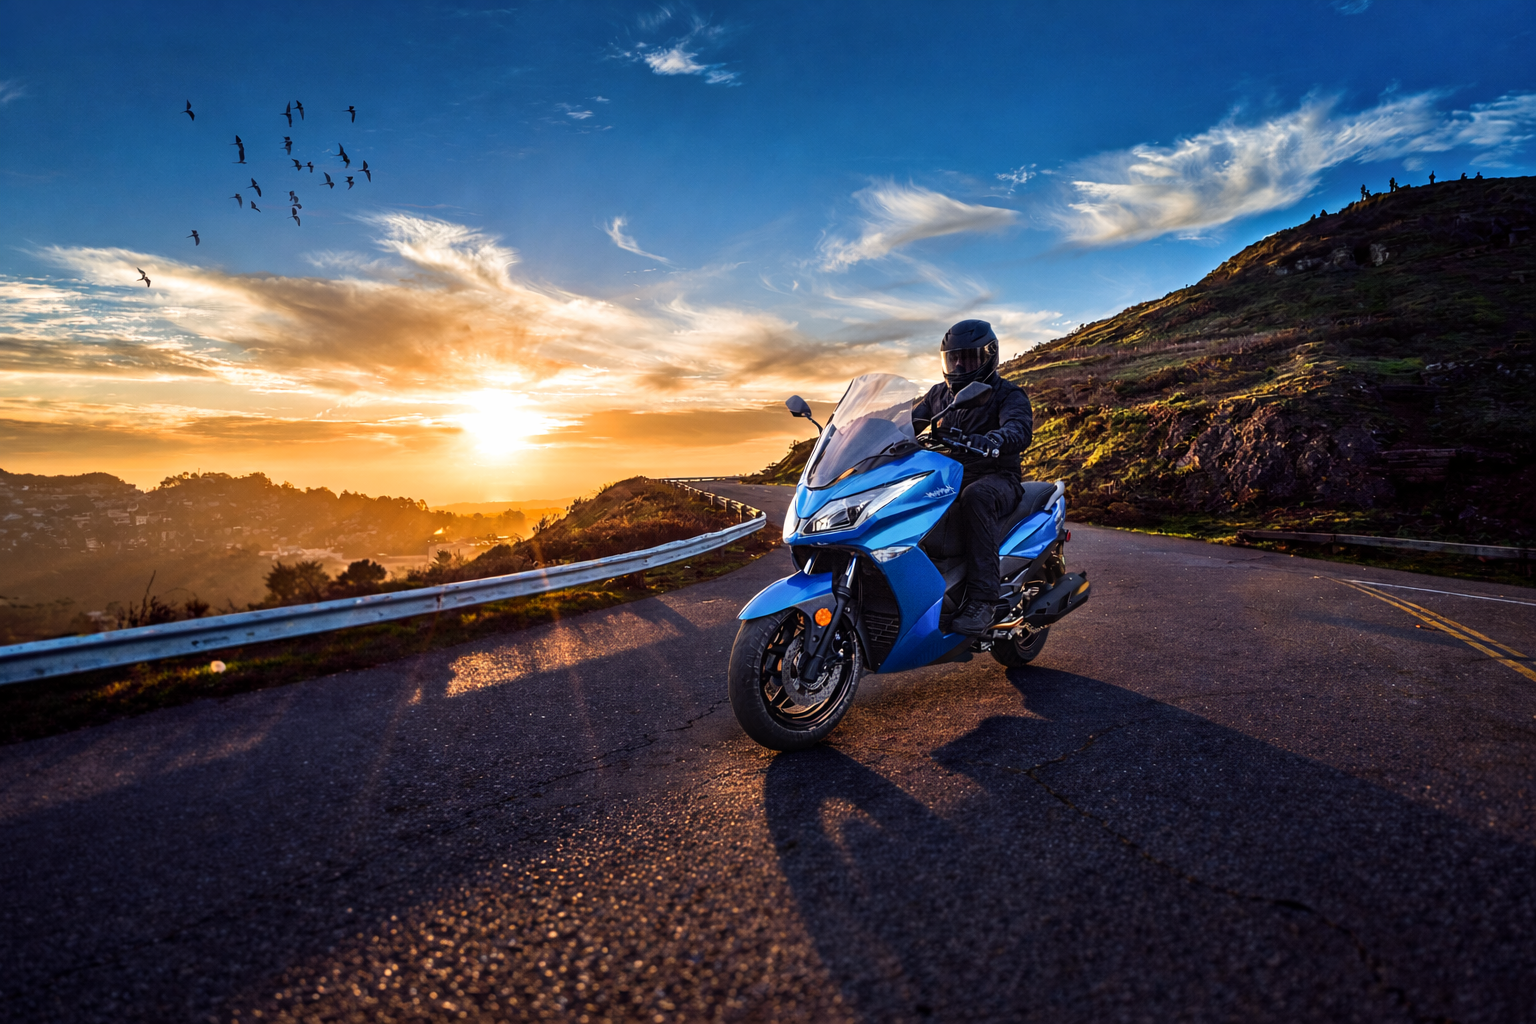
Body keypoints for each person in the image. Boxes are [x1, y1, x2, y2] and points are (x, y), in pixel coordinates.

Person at [912, 319, 1034, 635]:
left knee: (975, 497)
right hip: (949, 476)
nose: (960, 364)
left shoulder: (1007, 393)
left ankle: (983, 600)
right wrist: (868, 429)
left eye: (968, 357)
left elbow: (1019, 428)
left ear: (988, 356)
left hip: (996, 477)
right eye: (954, 358)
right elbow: (909, 422)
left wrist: (995, 439)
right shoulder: (938, 394)